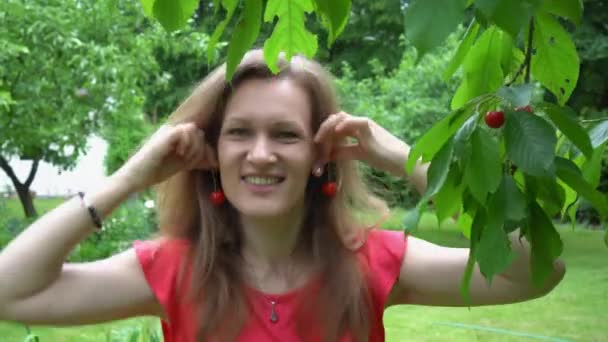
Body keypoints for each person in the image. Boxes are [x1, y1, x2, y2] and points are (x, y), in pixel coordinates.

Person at [0, 50, 565, 341]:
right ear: (210, 153)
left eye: (287, 134)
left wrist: (403, 159)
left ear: (322, 152)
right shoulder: (171, 270)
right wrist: (128, 179)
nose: (262, 154)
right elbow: (11, 292)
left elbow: (538, 268)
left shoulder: (372, 263)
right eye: (240, 133)